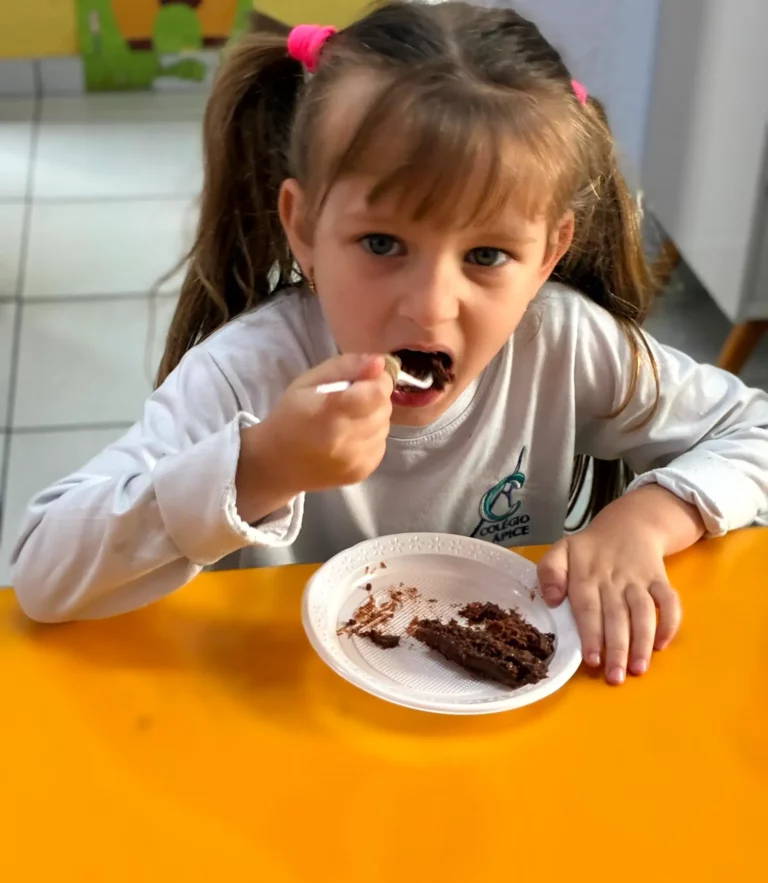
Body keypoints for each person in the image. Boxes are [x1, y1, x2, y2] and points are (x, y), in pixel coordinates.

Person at [11, 2, 768, 685]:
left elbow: (753, 429)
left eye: (487, 255)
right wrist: (262, 466)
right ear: (304, 228)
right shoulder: (245, 375)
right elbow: (42, 574)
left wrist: (649, 518)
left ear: (548, 253)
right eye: (382, 243)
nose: (431, 306)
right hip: (280, 704)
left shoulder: (565, 344)